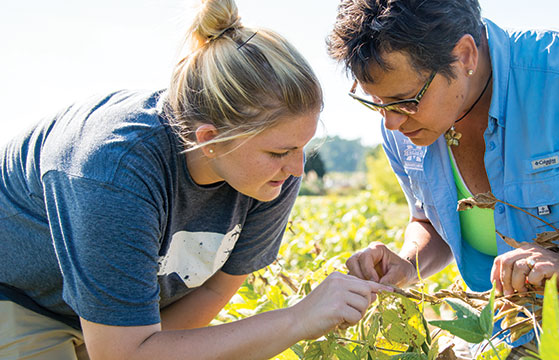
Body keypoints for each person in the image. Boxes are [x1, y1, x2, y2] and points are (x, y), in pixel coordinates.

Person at [0, 0, 389, 359]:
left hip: (126, 320)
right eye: (278, 152)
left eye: (302, 146)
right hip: (21, 298)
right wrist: (297, 319)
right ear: (210, 141)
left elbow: (215, 289)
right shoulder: (114, 172)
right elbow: (124, 355)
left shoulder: (271, 176)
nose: (297, 170)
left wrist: (137, 345)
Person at [327, 0, 559, 357]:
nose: (390, 122)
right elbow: (432, 221)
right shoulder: (402, 123)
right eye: (376, 103)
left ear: (464, 55)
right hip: (520, 339)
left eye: (405, 101)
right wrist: (407, 264)